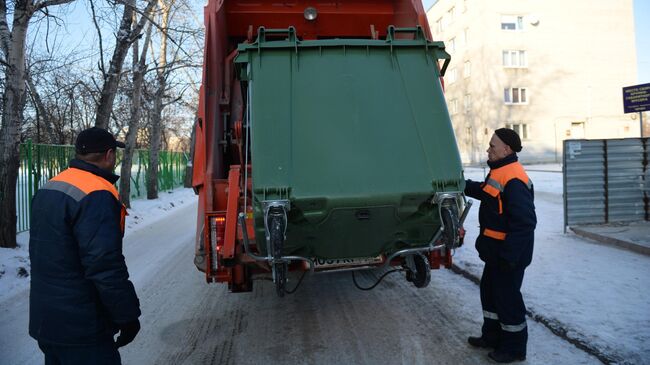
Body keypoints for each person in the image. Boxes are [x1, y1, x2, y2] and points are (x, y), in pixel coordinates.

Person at [29, 127, 141, 364]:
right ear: (109, 154)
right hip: (83, 328)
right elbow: (105, 266)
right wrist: (127, 316)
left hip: (47, 322)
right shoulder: (97, 193)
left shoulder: (50, 186)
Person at [464, 128, 537, 363]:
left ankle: (514, 348)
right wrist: (462, 184)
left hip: (508, 255)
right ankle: (492, 336)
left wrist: (509, 256)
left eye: (492, 146)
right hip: (496, 252)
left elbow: (525, 223)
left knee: (508, 300)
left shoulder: (514, 177)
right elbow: (488, 194)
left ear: (506, 149)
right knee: (490, 294)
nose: (488, 149)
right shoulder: (500, 171)